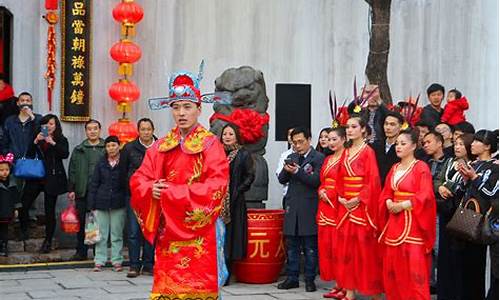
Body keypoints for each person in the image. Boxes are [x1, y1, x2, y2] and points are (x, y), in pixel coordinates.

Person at [130, 67, 229, 299]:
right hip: (169, 232)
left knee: (198, 287)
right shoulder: (160, 146)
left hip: (200, 232)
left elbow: (217, 185)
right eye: (176, 107)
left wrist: (173, 193)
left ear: (198, 109)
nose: (181, 113)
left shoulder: (210, 144)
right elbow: (139, 178)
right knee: (168, 287)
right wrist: (149, 189)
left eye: (187, 107)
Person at [378, 129, 436, 300]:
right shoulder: (394, 167)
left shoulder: (421, 167)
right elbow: (387, 191)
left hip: (414, 222)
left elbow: (426, 194)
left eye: (403, 143)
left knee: (414, 270)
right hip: (395, 223)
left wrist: (403, 205)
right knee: (393, 269)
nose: (399, 147)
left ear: (413, 146)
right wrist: (388, 202)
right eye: (397, 143)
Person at [335, 116, 383, 300]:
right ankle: (349, 290)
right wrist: (341, 197)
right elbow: (340, 178)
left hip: (361, 206)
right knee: (346, 250)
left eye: (354, 126)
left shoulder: (367, 152)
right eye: (347, 127)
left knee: (366, 250)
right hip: (345, 205)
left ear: (363, 129)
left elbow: (372, 180)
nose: (349, 130)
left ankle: (374, 291)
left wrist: (357, 198)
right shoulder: (345, 152)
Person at [277, 127, 325, 292]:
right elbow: (282, 179)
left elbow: (316, 181)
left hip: (309, 205)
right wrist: (287, 168)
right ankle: (292, 278)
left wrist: (297, 171)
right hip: (292, 204)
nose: (297, 145)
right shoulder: (291, 156)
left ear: (309, 139)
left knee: (310, 245)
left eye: (300, 142)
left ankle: (310, 279)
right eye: (294, 142)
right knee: (292, 244)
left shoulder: (318, 157)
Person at [457, 130, 499, 299]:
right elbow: (460, 191)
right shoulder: (472, 164)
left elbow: (492, 194)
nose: (472, 144)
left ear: (488, 146)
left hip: (483, 222)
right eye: (472, 141)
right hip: (466, 218)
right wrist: (465, 180)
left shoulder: (494, 167)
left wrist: (475, 178)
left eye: (477, 141)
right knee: (464, 267)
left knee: (479, 266)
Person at [19, 114, 69, 253]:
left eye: (51, 124)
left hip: (52, 178)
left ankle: (47, 240)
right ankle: (24, 229)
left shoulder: (61, 139)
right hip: (36, 176)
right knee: (24, 203)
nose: (48, 127)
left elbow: (65, 154)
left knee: (49, 211)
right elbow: (28, 155)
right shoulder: (38, 138)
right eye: (45, 124)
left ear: (56, 126)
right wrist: (35, 141)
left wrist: (52, 142)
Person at [435, 133, 475, 300]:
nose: (457, 147)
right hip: (445, 211)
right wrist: (440, 188)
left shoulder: (474, 165)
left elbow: (467, 187)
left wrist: (449, 186)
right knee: (444, 255)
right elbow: (437, 179)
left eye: (460, 144)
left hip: (462, 214)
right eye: (455, 144)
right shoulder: (450, 162)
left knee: (459, 257)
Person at [220, 123, 255, 284]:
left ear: (236, 136)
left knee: (231, 236)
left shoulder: (243, 154)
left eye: (230, 134)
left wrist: (238, 190)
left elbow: (249, 176)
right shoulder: (217, 153)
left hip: (235, 202)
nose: (227, 137)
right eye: (225, 134)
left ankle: (229, 270)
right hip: (217, 200)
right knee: (219, 236)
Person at [121, 118, 157, 278]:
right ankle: (134, 265)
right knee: (134, 231)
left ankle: (149, 264)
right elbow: (122, 172)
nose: (146, 132)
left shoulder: (160, 147)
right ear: (138, 131)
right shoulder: (129, 148)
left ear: (153, 130)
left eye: (148, 129)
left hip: (153, 195)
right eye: (143, 129)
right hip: (134, 196)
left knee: (151, 230)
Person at [67, 119, 105, 261]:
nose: (92, 131)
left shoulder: (105, 148)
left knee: (96, 222)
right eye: (89, 129)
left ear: (100, 130)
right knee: (82, 222)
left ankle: (97, 252)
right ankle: (81, 251)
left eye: (95, 128)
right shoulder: (79, 149)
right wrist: (71, 189)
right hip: (82, 191)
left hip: (100, 193)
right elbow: (72, 170)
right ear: (86, 131)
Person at [87, 136, 126, 272]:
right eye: (108, 146)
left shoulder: (124, 162)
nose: (111, 148)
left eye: (114, 145)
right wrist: (91, 204)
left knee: (117, 234)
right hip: (101, 201)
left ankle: (117, 261)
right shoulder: (101, 163)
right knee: (101, 234)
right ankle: (99, 260)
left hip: (118, 202)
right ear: (105, 148)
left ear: (119, 146)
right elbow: (94, 183)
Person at [317, 127, 346, 298]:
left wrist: (332, 193)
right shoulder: (327, 159)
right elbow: (323, 181)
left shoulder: (346, 158)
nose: (331, 142)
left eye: (335, 139)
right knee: (328, 247)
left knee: (339, 248)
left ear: (343, 139)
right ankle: (337, 283)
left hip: (337, 206)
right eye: (329, 139)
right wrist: (321, 190)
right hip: (325, 205)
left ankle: (345, 284)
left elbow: (344, 183)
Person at [371, 111, 404, 185]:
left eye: (392, 124)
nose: (388, 127)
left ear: (400, 127)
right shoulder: (375, 146)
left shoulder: (403, 148)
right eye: (386, 124)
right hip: (376, 186)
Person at [0, 153, 18, 257]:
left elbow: (16, 197)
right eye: (1, 170)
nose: (4, 172)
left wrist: (16, 208)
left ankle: (4, 246)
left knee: (4, 230)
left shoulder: (12, 183)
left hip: (6, 211)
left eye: (6, 170)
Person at [276, 127, 295, 208]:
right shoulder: (285, 155)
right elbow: (279, 174)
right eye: (289, 135)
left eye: (293, 135)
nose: (291, 137)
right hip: (288, 194)